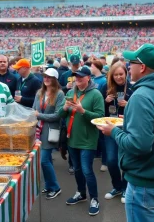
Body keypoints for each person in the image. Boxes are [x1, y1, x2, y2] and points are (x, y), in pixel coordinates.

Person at [98, 44, 154, 222]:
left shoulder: (141, 96)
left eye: (131, 62)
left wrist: (114, 132)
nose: (128, 66)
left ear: (142, 67)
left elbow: (139, 145)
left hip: (147, 183)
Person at [59, 66, 105, 216]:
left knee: (87, 170)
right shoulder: (71, 93)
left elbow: (100, 117)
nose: (77, 79)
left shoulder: (96, 94)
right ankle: (81, 193)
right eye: (75, 76)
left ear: (88, 78)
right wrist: (64, 108)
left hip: (88, 140)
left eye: (80, 76)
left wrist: (83, 111)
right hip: (72, 138)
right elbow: (60, 114)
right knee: (77, 169)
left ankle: (95, 199)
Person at [103, 61, 134, 204]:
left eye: (121, 74)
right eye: (115, 75)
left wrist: (129, 105)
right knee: (111, 160)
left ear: (126, 73)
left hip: (127, 128)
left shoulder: (132, 88)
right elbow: (100, 110)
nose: (118, 77)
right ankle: (117, 186)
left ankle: (126, 188)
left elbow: (139, 109)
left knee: (126, 160)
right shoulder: (107, 87)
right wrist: (106, 101)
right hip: (111, 127)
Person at [32, 68, 64, 200]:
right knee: (46, 160)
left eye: (49, 77)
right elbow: (34, 109)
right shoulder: (40, 92)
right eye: (45, 76)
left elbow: (58, 115)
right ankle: (49, 185)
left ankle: (56, 187)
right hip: (39, 129)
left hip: (50, 130)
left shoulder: (59, 94)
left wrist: (40, 116)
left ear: (55, 79)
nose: (46, 79)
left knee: (44, 160)